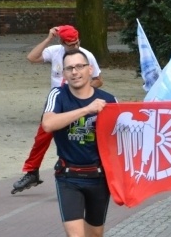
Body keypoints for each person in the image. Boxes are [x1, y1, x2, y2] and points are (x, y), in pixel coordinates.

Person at [40, 49, 116, 237]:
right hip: (69, 177)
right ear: (63, 73)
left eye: (79, 67)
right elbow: (48, 124)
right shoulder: (58, 96)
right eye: (69, 68)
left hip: (98, 178)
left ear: (89, 70)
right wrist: (86, 110)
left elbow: (123, 135)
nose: (74, 72)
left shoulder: (109, 100)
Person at [12, 25, 103, 194]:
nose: (74, 46)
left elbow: (98, 80)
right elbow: (31, 58)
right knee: (42, 137)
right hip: (56, 102)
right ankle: (32, 172)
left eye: (76, 43)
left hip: (75, 102)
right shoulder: (55, 51)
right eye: (70, 44)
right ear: (62, 43)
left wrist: (81, 87)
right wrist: (48, 38)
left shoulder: (86, 56)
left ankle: (85, 173)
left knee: (78, 136)